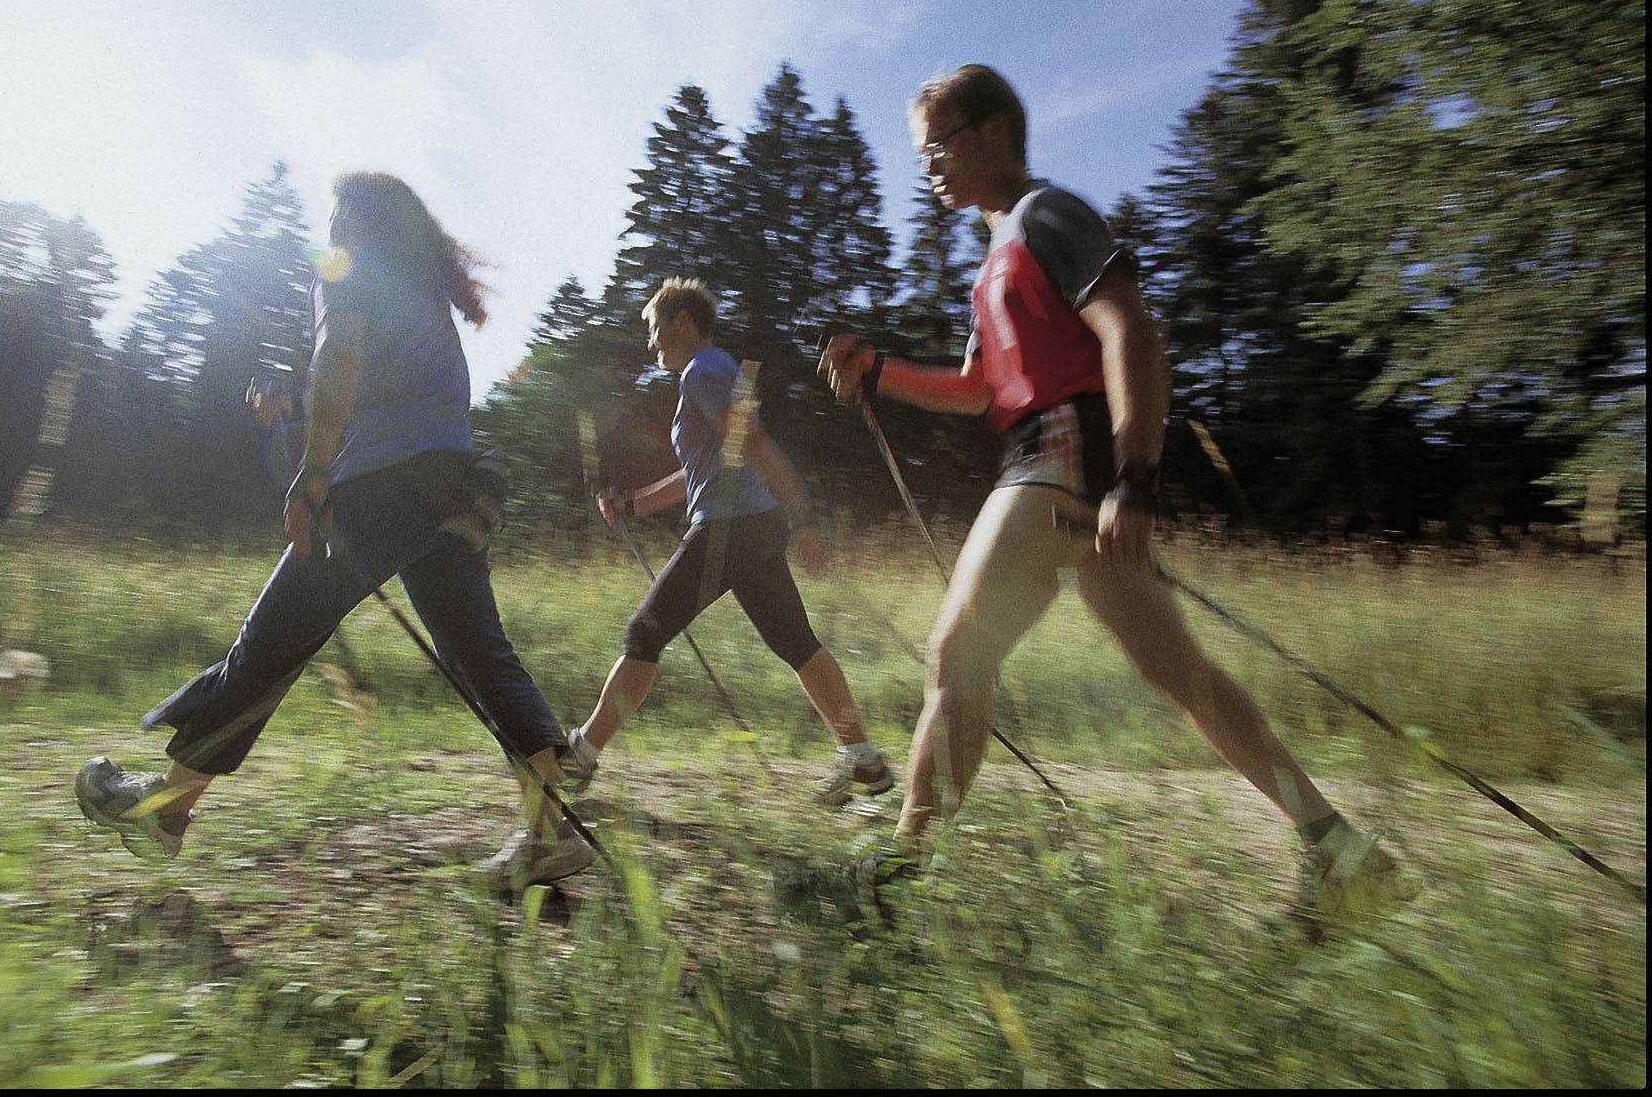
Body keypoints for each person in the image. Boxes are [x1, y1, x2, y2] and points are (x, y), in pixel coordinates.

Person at [819, 65, 1408, 917]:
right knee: (1182, 674)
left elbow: (1129, 328)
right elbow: (980, 389)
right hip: (1059, 466)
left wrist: (1137, 475)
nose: (930, 167)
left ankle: (896, 879)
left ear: (994, 135)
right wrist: (880, 372)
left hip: (1059, 460)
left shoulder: (1045, 214)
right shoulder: (992, 260)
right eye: (923, 155)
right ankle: (1341, 850)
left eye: (939, 145)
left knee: (957, 653)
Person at [76, 172, 591, 891]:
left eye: (337, 214)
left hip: (381, 488)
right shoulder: (424, 297)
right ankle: (547, 835)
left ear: (357, 220)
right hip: (453, 486)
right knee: (479, 654)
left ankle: (161, 809)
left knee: (274, 639)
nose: (330, 228)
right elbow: (381, 392)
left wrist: (315, 469)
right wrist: (298, 410)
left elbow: (339, 358)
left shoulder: (348, 270)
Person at [570, 277, 895, 806]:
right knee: (797, 643)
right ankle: (864, 761)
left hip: (732, 527)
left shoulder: (703, 371)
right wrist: (632, 504)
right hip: (751, 523)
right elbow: (698, 472)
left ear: (682, 323)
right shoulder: (711, 373)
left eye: (655, 330)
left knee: (645, 631)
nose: (651, 344)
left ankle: (579, 757)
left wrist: (806, 519)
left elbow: (757, 444)